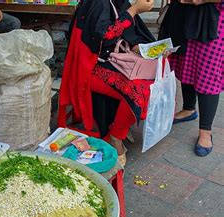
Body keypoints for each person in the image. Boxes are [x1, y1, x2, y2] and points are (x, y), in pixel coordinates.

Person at [59, 0, 155, 166]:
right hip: (89, 67)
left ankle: (120, 125)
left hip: (112, 58)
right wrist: (134, 10)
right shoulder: (97, 2)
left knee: (153, 79)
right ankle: (116, 137)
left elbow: (129, 31)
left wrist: (137, 45)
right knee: (140, 89)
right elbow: (104, 35)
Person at [160, 0, 223, 157]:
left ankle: (205, 132)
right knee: (185, 64)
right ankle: (189, 109)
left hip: (212, 19)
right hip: (183, 14)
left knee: (208, 73)